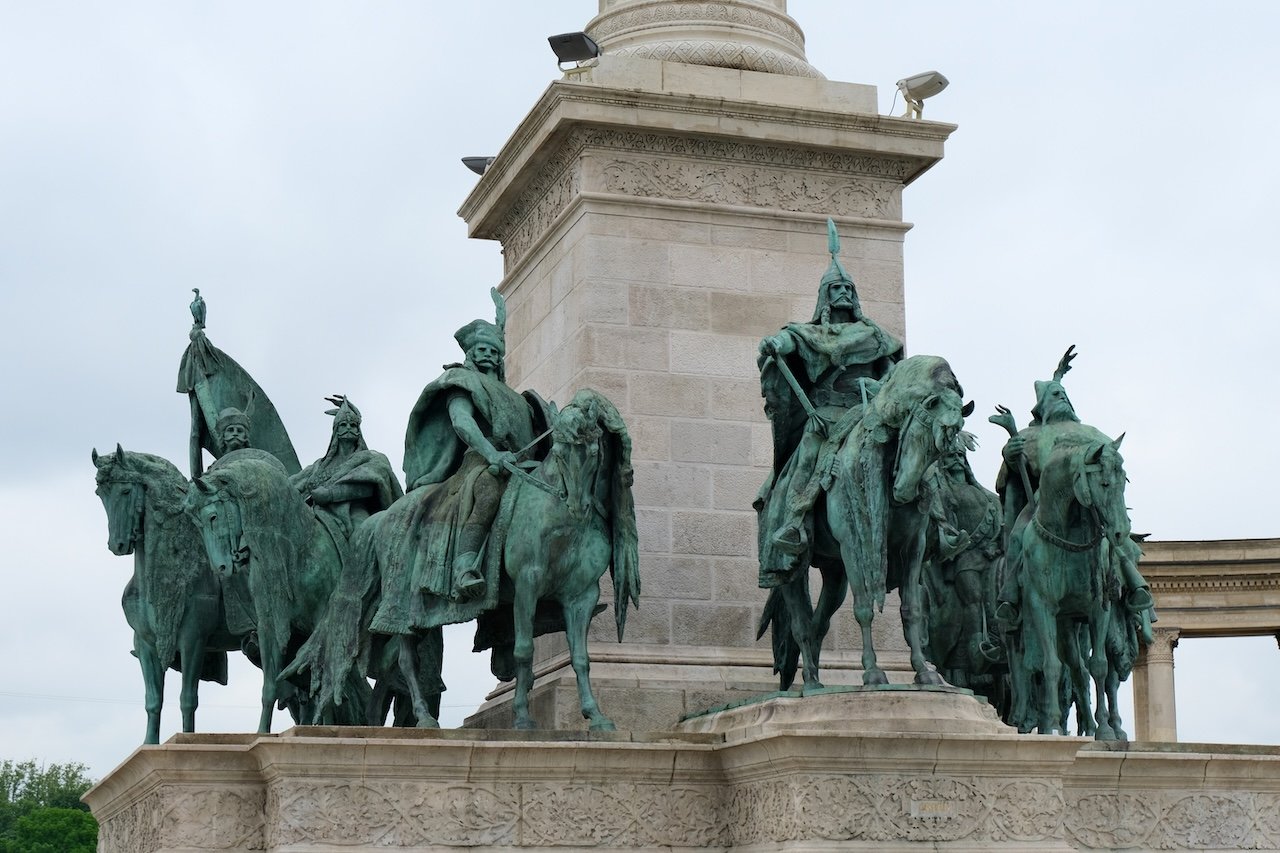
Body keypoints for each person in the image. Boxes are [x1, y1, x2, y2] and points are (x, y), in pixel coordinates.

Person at [369, 292, 549, 640]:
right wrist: (492, 454)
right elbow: (463, 423)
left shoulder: (509, 394)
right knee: (487, 491)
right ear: (469, 354)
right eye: (480, 349)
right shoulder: (461, 383)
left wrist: (504, 323)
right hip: (482, 463)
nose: (488, 354)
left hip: (522, 464)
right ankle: (466, 565)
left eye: (493, 350)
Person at [755, 219, 903, 586]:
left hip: (867, 412)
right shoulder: (812, 334)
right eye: (835, 288)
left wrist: (881, 384)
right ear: (825, 296)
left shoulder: (874, 334)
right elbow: (791, 341)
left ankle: (939, 523)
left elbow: (892, 371)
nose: (842, 294)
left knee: (917, 451)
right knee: (809, 452)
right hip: (825, 414)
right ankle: (793, 522)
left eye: (847, 289)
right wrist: (775, 343)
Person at [992, 347, 1152, 621]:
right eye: (1055, 395)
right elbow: (1009, 480)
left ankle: (1135, 586)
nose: (1062, 398)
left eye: (1064, 394)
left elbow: (1111, 464)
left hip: (1091, 502)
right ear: (1043, 406)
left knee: (1119, 539)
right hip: (1044, 504)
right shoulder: (1030, 436)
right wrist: (1009, 456)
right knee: (1018, 535)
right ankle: (1011, 596)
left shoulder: (1091, 432)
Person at [291, 396, 402, 542]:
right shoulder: (319, 465)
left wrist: (330, 494)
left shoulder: (369, 458)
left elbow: (370, 485)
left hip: (352, 513)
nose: (348, 428)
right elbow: (293, 485)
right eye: (343, 425)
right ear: (336, 431)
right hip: (315, 515)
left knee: (365, 538)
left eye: (353, 425)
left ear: (358, 431)